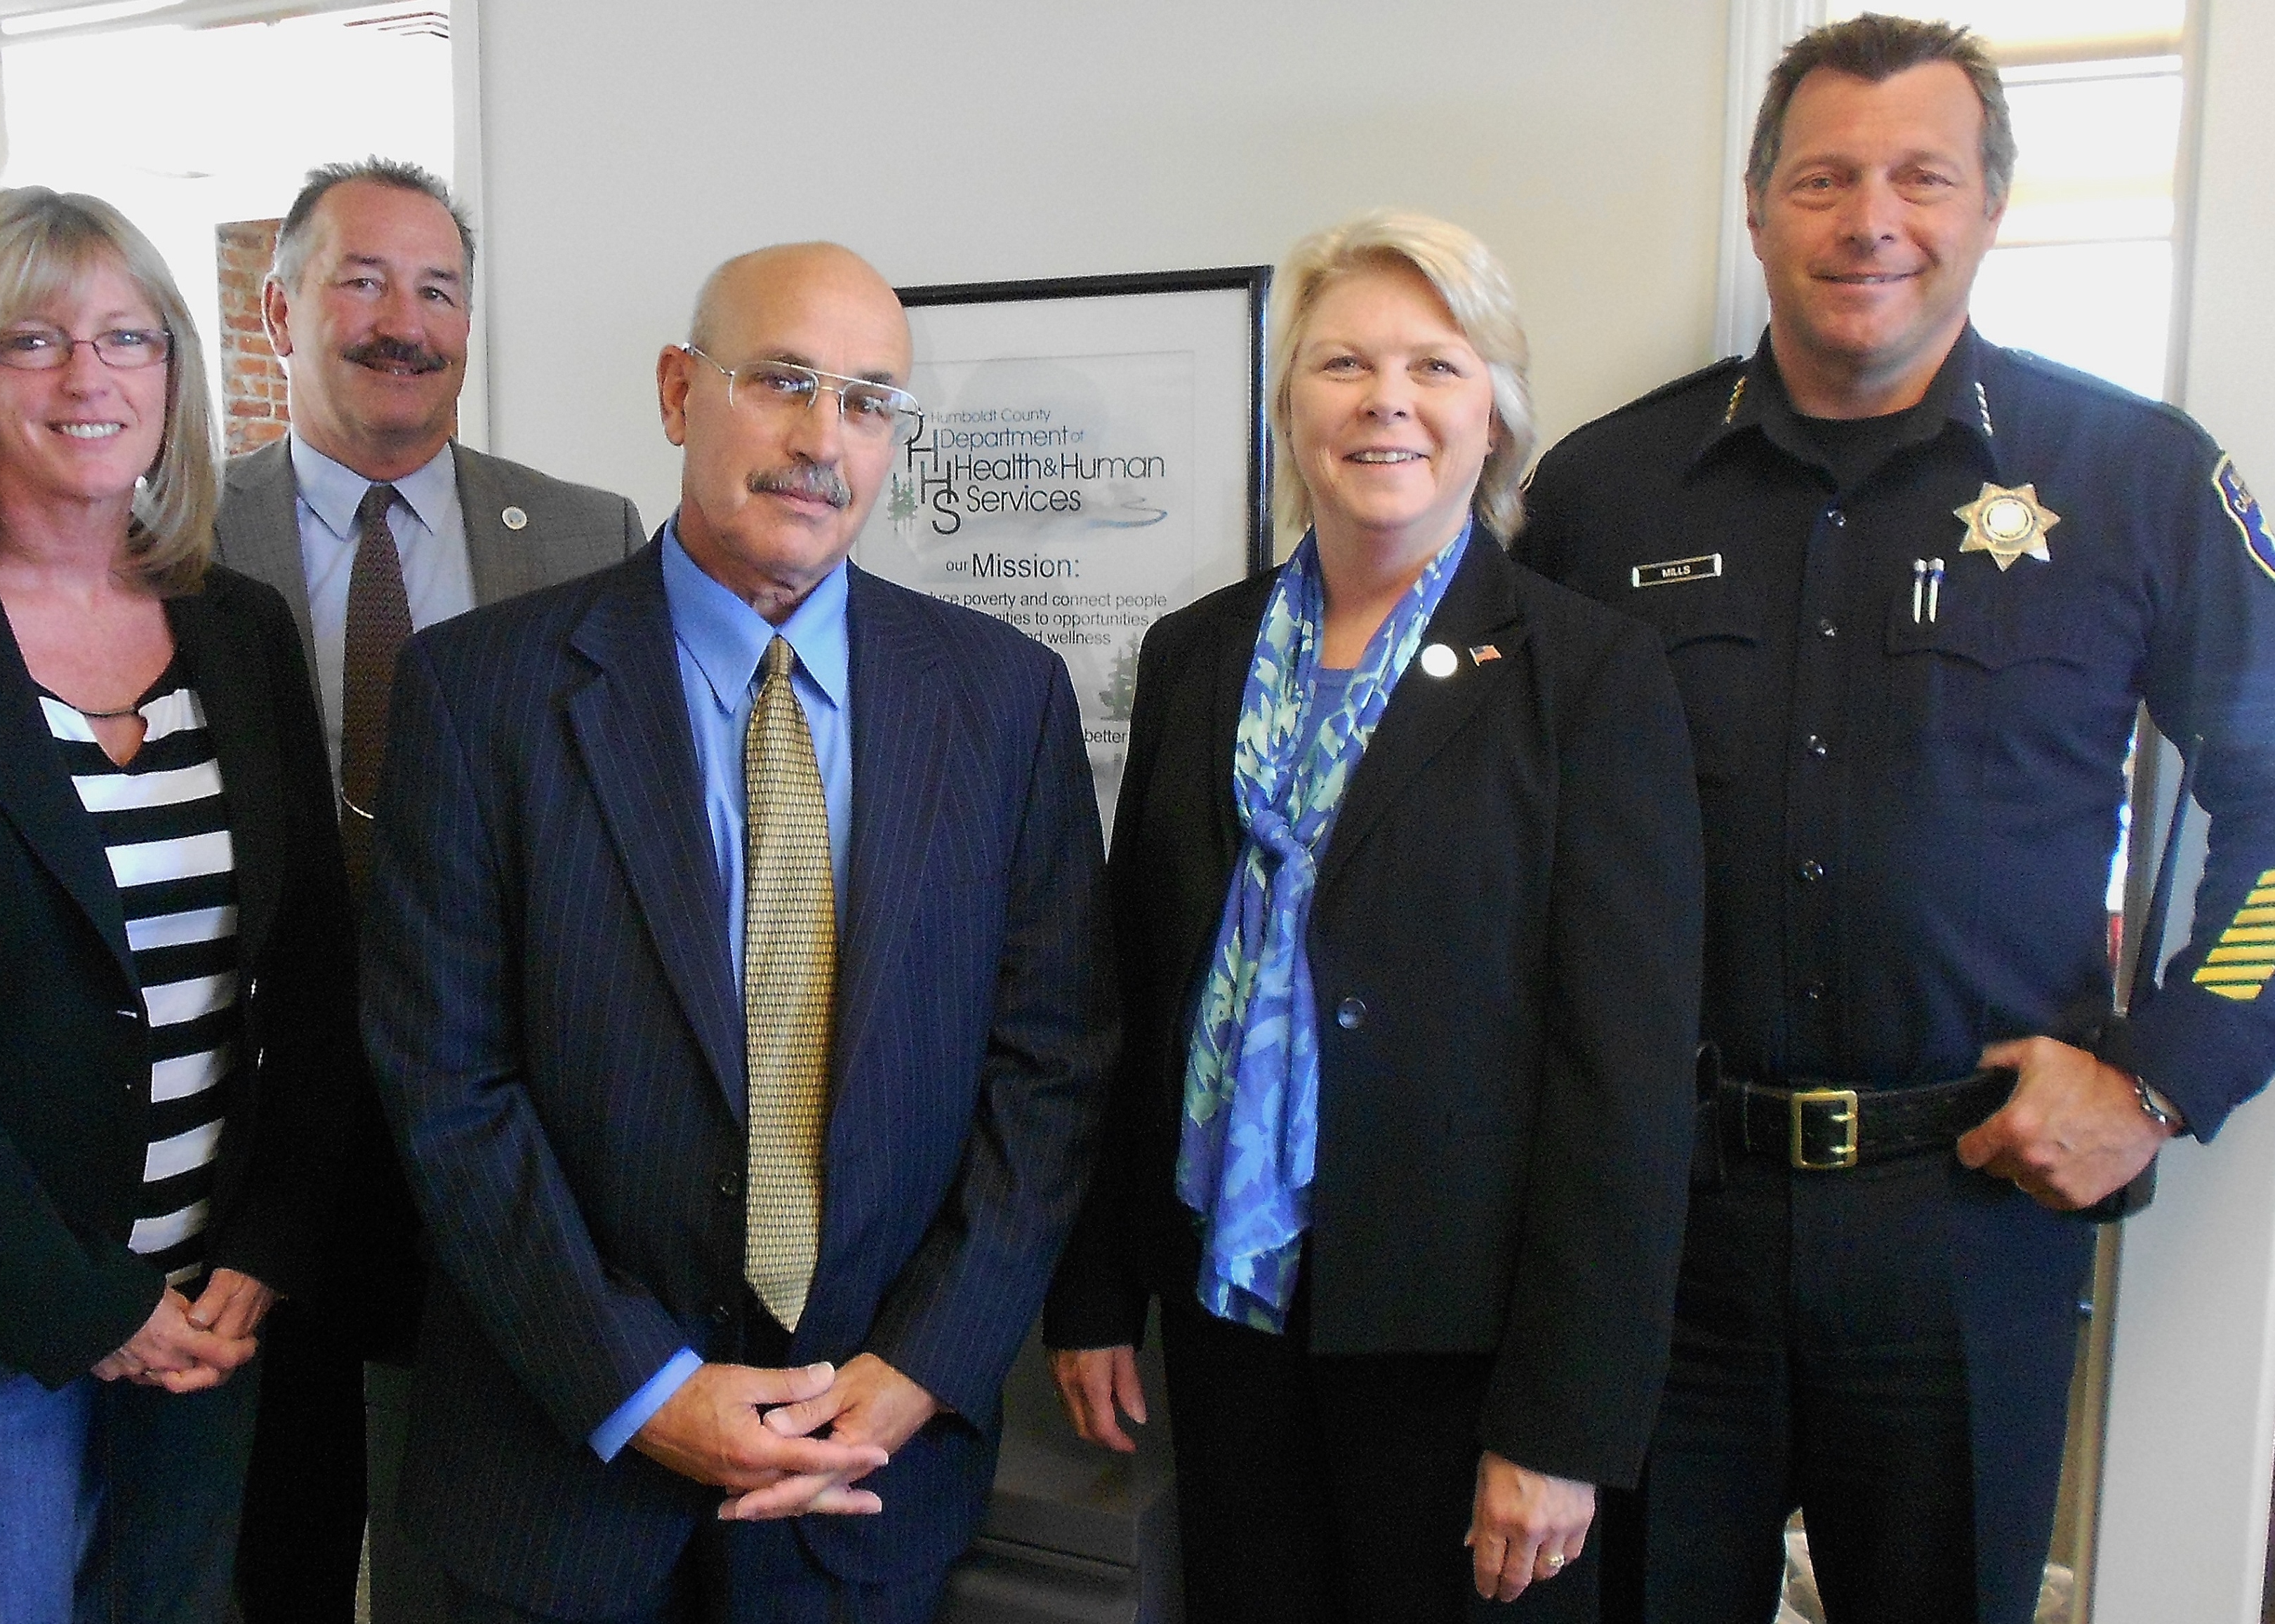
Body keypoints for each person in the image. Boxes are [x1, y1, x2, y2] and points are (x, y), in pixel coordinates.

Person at [1511, 16, 2275, 1623]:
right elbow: (1508, 843)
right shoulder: (1601, 490)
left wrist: (2159, 1075)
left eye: (1920, 177)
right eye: (1822, 179)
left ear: (1990, 203)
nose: (1870, 221)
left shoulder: (2135, 480)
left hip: (1967, 1228)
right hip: (1664, 1229)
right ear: (1753, 205)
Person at [360, 240, 1114, 1623]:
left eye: (869, 401)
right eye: (782, 380)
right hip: (560, 1480)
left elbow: (1051, 1068)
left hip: (865, 1474)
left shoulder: (1003, 698)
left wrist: (924, 1365)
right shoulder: (479, 691)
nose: (823, 439)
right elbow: (446, 1087)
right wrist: (637, 1386)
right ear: (677, 392)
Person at [1042, 210, 1706, 1620]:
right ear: (1289, 406)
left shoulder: (1589, 675)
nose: (1384, 400)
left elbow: (1624, 1086)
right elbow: (1133, 986)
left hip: (1465, 1359)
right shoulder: (1195, 653)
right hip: (1227, 1316)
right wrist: (1094, 1291)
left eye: (1434, 366)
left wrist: (1561, 1426)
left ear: (1493, 417)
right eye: (1342, 363)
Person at [0, 187, 354, 1622]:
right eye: (35, 339)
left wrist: (267, 1242)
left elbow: (309, 972)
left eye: (128, 337)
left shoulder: (239, 629)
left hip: (207, 1295)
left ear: (174, 375)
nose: (88, 375)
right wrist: (84, 1302)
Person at [214, 156, 642, 1624]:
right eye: (363, 281)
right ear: (281, 313)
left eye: (439, 289)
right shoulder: (170, 539)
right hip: (258, 1124)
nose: (405, 322)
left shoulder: (586, 535)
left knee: (468, 1508)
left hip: (500, 1108)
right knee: (272, 1512)